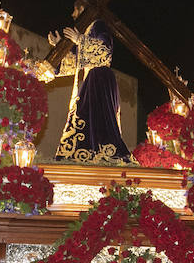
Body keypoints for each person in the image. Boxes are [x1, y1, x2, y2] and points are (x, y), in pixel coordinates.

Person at [50, 20, 132, 162]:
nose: (74, 15)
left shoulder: (98, 25)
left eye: (76, 10)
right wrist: (60, 48)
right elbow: (78, 61)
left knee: (95, 117)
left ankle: (102, 154)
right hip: (92, 80)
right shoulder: (88, 31)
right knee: (85, 117)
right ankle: (85, 153)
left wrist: (79, 40)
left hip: (99, 79)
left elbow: (105, 49)